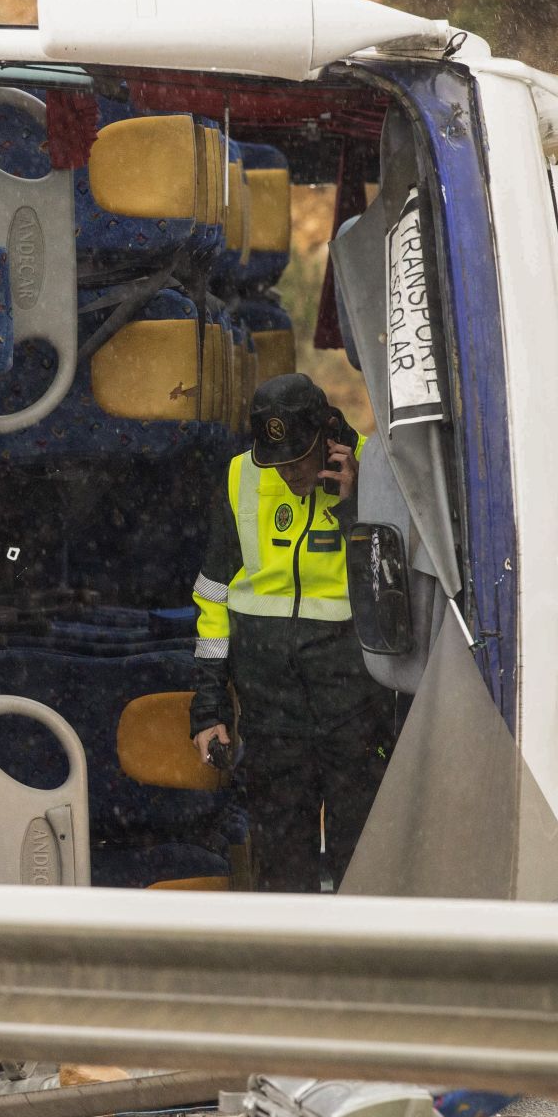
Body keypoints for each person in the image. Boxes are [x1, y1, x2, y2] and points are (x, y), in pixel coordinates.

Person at [189, 372, 394, 893]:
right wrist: (209, 710)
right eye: (275, 463)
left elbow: (396, 593)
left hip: (355, 715)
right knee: (281, 883)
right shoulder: (241, 478)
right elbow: (212, 598)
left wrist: (355, 509)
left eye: (297, 460)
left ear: (330, 436)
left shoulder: (377, 472)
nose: (287, 474)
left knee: (364, 878)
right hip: (271, 717)